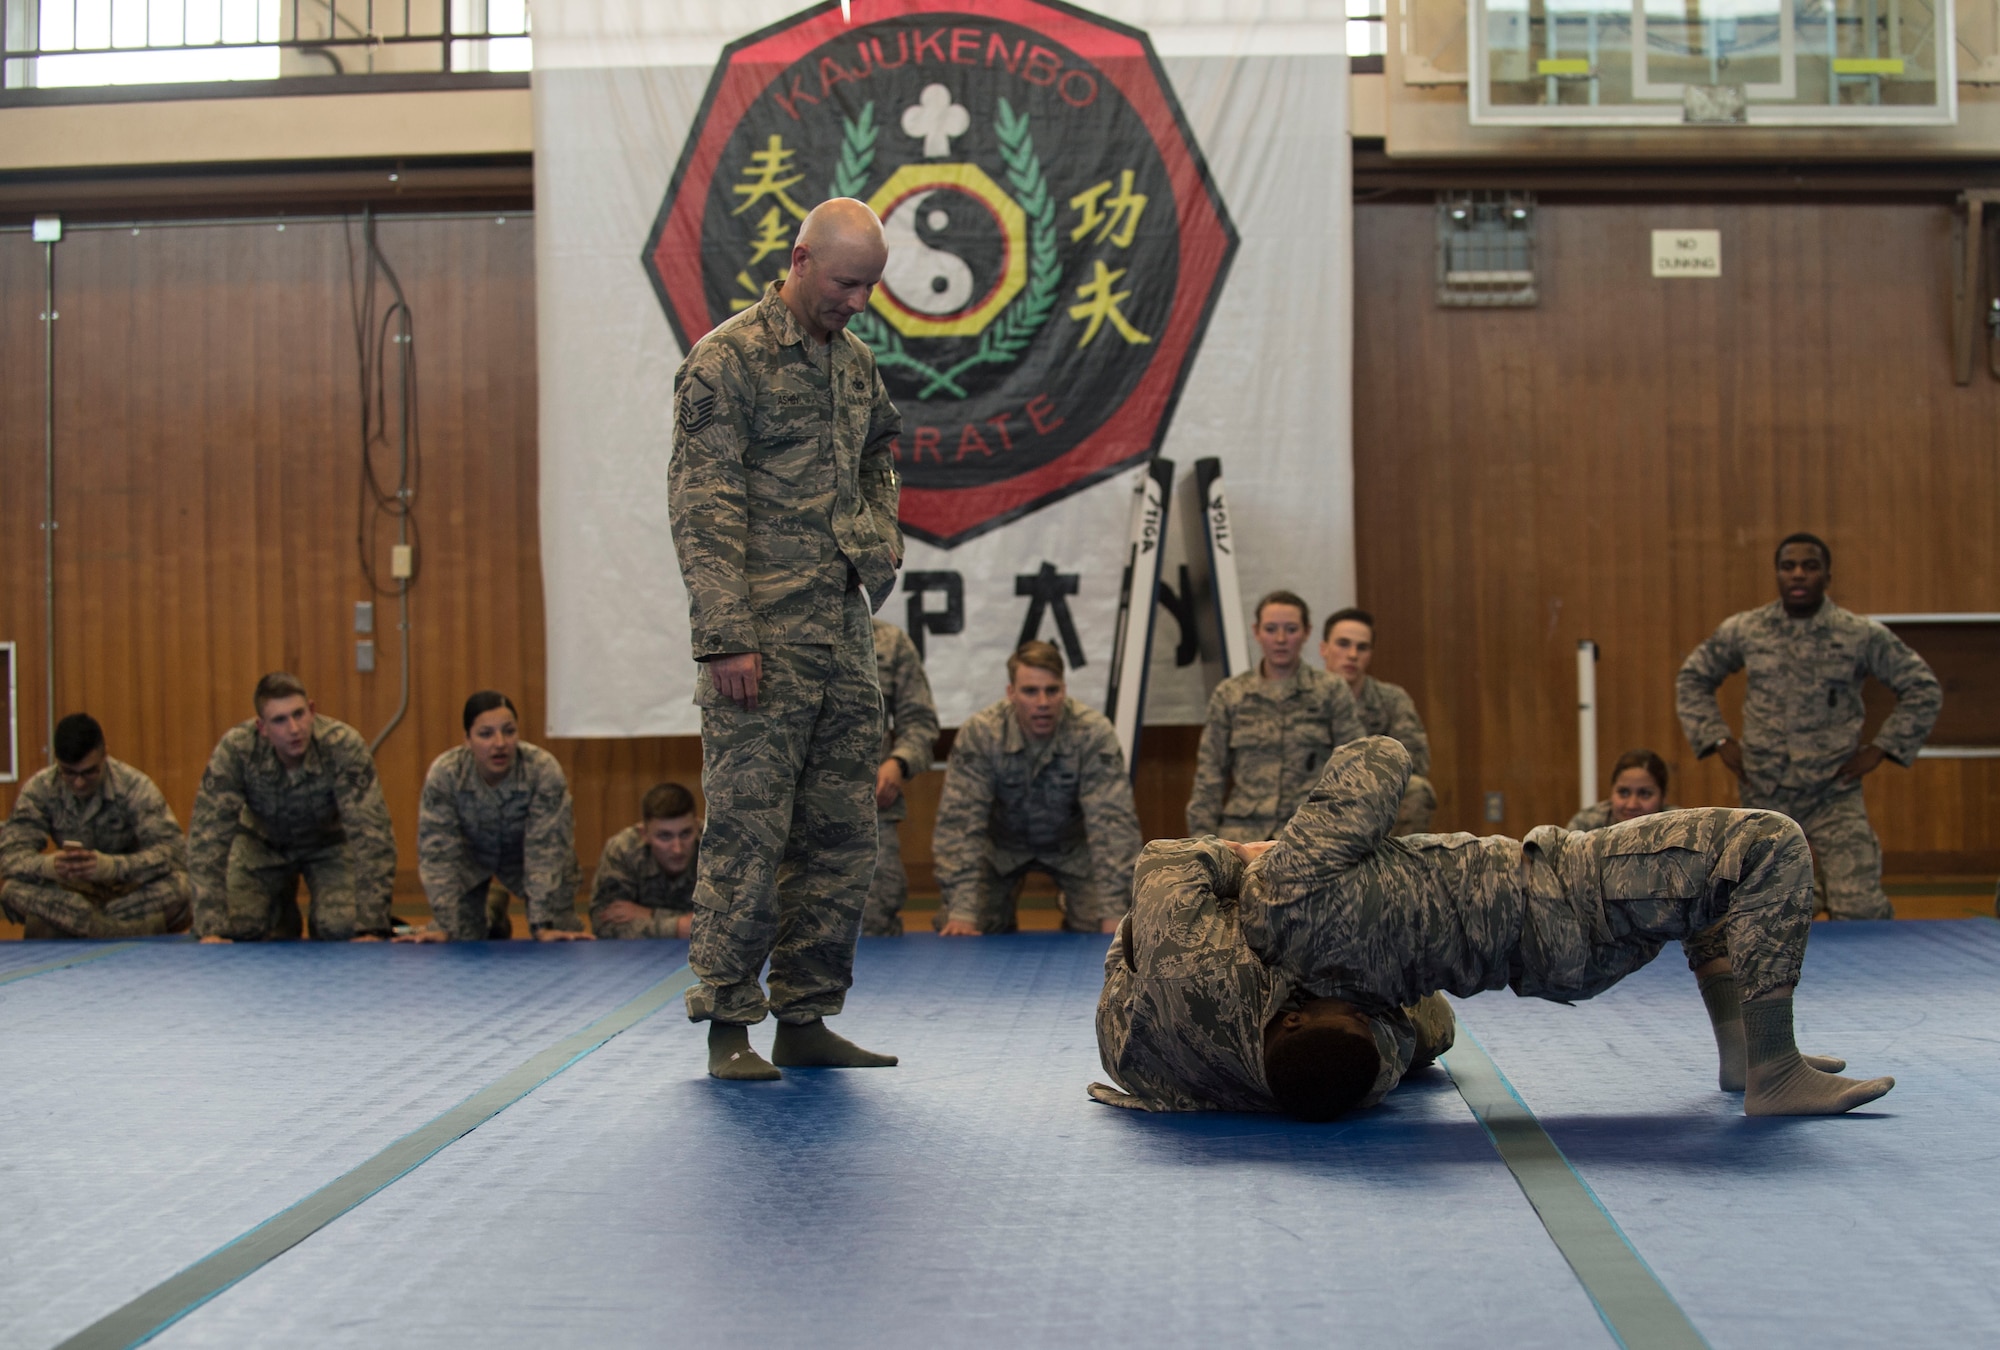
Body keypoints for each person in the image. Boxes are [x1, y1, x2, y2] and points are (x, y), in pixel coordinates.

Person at [1093, 737, 1893, 1120]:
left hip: (1554, 963)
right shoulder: (1286, 892)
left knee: (1705, 888)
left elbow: (1430, 1029)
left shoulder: (1325, 1057)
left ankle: (1739, 1055)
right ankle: (1775, 1072)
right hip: (1563, 891)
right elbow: (1378, 755)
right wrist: (1251, 855)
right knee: (1768, 844)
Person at [668, 196, 903, 1080]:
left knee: (842, 834)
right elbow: (702, 503)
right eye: (847, 283)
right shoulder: (726, 360)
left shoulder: (855, 364)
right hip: (756, 643)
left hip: (841, 636)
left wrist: (879, 547)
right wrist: (725, 635)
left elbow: (880, 457)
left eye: (872, 287)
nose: (859, 302)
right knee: (749, 834)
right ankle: (730, 1021)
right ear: (800, 261)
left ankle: (805, 1016)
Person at [1677, 532, 1941, 920]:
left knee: (1861, 911)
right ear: (1778, 574)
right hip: (1765, 791)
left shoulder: (1858, 634)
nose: (1798, 574)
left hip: (1834, 792)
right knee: (1758, 913)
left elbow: (1922, 688)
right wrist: (1716, 738)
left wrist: (1881, 749)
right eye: (1789, 567)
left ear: (1827, 576)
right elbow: (1693, 678)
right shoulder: (1747, 629)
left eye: (1810, 566)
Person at [932, 641, 1141, 936]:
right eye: (1030, 691)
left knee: (1110, 925)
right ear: (1011, 693)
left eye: (1052, 690)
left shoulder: (1093, 732)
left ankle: (1073, 902)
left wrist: (1112, 911)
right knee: (966, 922)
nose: (1042, 702)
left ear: (1064, 690)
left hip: (1073, 850)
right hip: (1001, 849)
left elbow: (1112, 826)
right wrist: (963, 909)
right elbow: (960, 825)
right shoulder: (981, 733)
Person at [187, 673, 396, 942]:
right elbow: (207, 838)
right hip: (261, 844)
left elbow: (372, 835)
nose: (294, 728)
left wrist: (371, 926)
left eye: (299, 714)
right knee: (238, 926)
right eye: (280, 720)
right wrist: (212, 929)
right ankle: (280, 910)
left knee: (342, 927)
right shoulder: (236, 750)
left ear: (312, 710)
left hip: (327, 845)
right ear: (262, 727)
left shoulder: (343, 746)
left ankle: (305, 912)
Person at [406, 692, 589, 943]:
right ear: (467, 739)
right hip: (470, 860)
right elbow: (438, 853)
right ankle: (494, 912)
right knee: (457, 942)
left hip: (529, 858)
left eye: (509, 731)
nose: (500, 743)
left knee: (559, 937)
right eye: (485, 734)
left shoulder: (542, 770)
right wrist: (444, 924)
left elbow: (546, 850)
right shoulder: (446, 774)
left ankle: (533, 914)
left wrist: (542, 924)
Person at [1186, 591, 1365, 842]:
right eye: (1271, 629)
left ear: (1306, 632)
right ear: (1257, 632)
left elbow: (1354, 769)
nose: (1281, 639)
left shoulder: (1330, 691)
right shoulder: (1231, 694)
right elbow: (1209, 777)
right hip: (1242, 833)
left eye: (1291, 629)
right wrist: (1202, 845)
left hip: (1310, 832)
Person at [0, 713, 191, 938]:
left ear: (104, 756)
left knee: (185, 888)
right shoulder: (41, 788)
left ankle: (74, 929)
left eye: (89, 772)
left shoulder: (133, 787)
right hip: (73, 896)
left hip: (126, 893)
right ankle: (123, 932)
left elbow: (174, 853)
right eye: (69, 773)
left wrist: (111, 866)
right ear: (57, 762)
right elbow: (10, 857)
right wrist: (49, 866)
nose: (79, 782)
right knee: (11, 890)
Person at [1321, 607, 1435, 835]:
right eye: (1343, 644)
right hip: (1315, 794)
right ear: (1324, 648)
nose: (1352, 654)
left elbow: (1416, 760)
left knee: (1417, 789)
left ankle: (1400, 867)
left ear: (1370, 653)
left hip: (1372, 797)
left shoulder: (1391, 699)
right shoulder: (1307, 698)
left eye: (1362, 647)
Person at [864, 617, 939, 937]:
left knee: (875, 919)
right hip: (791, 808)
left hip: (867, 809)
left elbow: (921, 725)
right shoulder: (778, 626)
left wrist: (898, 763)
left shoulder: (888, 642)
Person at [590, 782, 701, 939]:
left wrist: (649, 913)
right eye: (664, 836)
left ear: (696, 826)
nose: (678, 848)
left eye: (686, 834)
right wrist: (676, 927)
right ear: (644, 834)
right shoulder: (623, 850)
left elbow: (732, 925)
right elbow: (604, 923)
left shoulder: (716, 848)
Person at [1567, 748, 1673, 831]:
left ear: (1663, 797)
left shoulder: (1678, 827)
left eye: (1644, 794)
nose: (1632, 805)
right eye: (1624, 792)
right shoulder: (1587, 824)